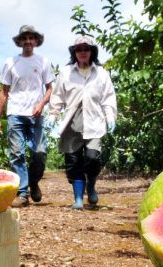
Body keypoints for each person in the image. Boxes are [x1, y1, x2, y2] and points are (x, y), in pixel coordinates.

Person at [49, 36, 117, 209]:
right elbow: (57, 96)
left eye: (86, 48)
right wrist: (53, 116)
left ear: (92, 51)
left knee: (93, 158)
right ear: (74, 52)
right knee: (73, 162)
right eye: (78, 49)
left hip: (94, 120)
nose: (82, 52)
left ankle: (91, 184)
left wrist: (110, 118)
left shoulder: (101, 74)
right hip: (72, 121)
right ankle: (78, 199)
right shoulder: (66, 73)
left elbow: (108, 98)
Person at [0, 25, 55, 208]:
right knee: (16, 154)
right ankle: (22, 193)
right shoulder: (10, 62)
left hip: (35, 115)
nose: (28, 41)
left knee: (39, 153)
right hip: (15, 114)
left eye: (31, 38)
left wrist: (41, 104)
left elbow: (50, 88)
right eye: (24, 38)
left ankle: (33, 181)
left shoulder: (43, 61)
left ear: (36, 41)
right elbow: (4, 90)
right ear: (19, 41)